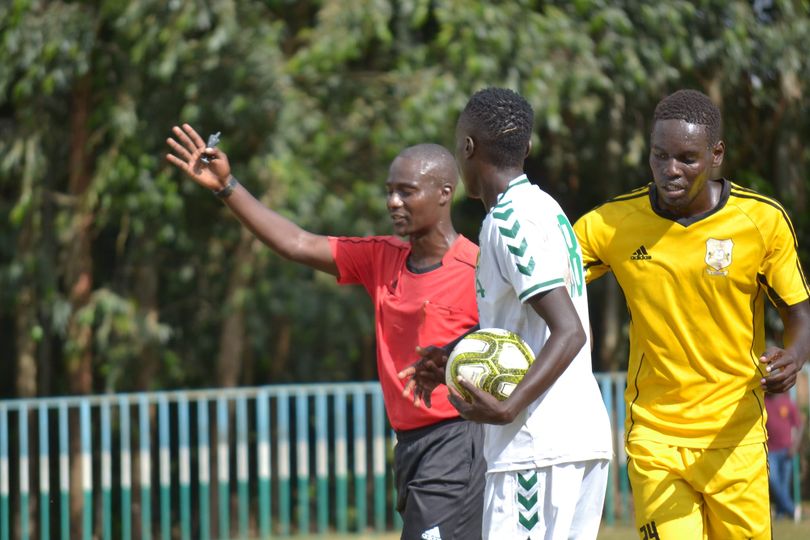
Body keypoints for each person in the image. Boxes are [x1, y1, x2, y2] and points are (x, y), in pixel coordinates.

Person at [165, 126, 486, 540]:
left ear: (444, 193)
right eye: (389, 191)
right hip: (409, 446)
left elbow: (509, 347)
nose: (393, 202)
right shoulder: (381, 257)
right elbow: (297, 242)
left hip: (456, 445)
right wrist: (227, 186)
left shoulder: (478, 269)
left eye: (406, 192)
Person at [573, 89, 810, 539]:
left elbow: (800, 311)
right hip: (655, 437)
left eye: (686, 158)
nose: (670, 171)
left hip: (735, 437)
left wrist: (794, 358)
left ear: (716, 154)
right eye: (660, 156)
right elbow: (540, 277)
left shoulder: (761, 221)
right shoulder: (611, 224)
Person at [404, 87, 613, 539]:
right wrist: (457, 356)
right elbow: (521, 329)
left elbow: (568, 331)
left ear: (467, 147)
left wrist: (507, 407)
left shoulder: (509, 222)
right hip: (575, 441)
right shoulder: (546, 209)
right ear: (528, 148)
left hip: (536, 447)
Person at [765, 391, 805, 520]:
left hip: (787, 451)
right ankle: (793, 510)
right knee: (774, 481)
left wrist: (795, 447)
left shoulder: (787, 402)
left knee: (783, 485)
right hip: (770, 451)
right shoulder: (764, 401)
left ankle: (781, 513)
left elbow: (799, 425)